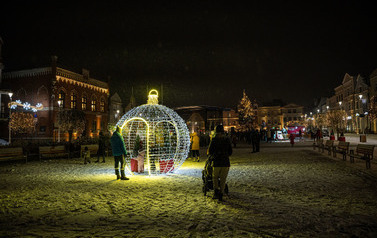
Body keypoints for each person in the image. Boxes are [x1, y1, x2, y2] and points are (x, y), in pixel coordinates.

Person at [208, 125, 232, 201]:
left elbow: (210, 151)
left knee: (215, 177)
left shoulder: (214, 140)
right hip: (225, 161)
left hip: (217, 161)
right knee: (223, 178)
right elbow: (230, 151)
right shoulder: (227, 140)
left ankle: (216, 191)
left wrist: (215, 154)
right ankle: (221, 192)